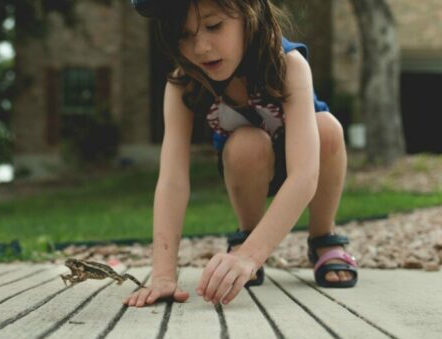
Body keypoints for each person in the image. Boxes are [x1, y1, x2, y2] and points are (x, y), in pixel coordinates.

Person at [124, 0, 358, 308]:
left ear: (251, 13)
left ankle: (322, 238)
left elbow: (304, 175)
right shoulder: (184, 84)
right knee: (247, 143)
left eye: (213, 26)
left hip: (305, 164)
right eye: (184, 34)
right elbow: (172, 181)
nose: (202, 47)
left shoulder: (287, 65)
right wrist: (163, 276)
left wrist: (249, 258)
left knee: (327, 127)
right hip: (247, 168)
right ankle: (246, 235)